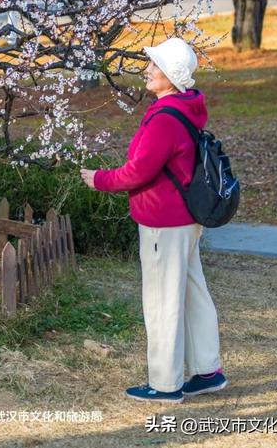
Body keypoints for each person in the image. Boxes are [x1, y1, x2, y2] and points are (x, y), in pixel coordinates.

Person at [80, 36, 227, 405]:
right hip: (186, 220)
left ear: (171, 75)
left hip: (164, 222)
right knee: (193, 292)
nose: (148, 70)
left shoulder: (165, 118)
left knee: (163, 301)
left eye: (155, 66)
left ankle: (165, 384)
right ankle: (208, 371)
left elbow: (138, 171)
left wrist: (99, 179)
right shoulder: (186, 108)